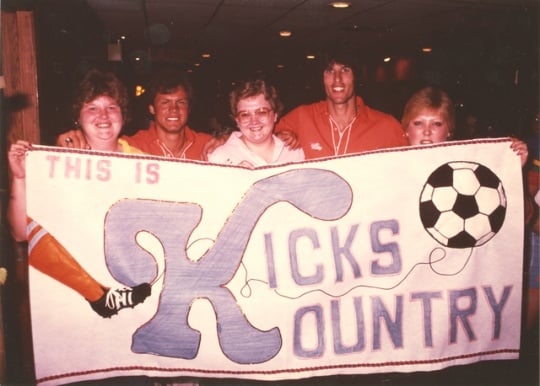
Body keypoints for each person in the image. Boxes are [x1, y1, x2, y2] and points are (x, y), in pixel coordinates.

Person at [7, 69, 151, 318]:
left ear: (123, 114)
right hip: (72, 294)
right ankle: (98, 296)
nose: (103, 116)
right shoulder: (58, 162)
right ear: (78, 116)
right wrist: (20, 178)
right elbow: (21, 231)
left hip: (129, 282)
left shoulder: (146, 165)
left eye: (112, 107)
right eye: (92, 108)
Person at [57, 67, 212, 160]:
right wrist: (63, 145)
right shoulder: (134, 145)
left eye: (181, 102)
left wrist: (225, 138)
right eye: (165, 102)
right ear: (151, 108)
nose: (174, 109)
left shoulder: (208, 145)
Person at [208, 77, 304, 168]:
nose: (254, 122)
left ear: (275, 115)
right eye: (245, 114)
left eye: (262, 112)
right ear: (237, 120)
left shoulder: (293, 151)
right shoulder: (219, 158)